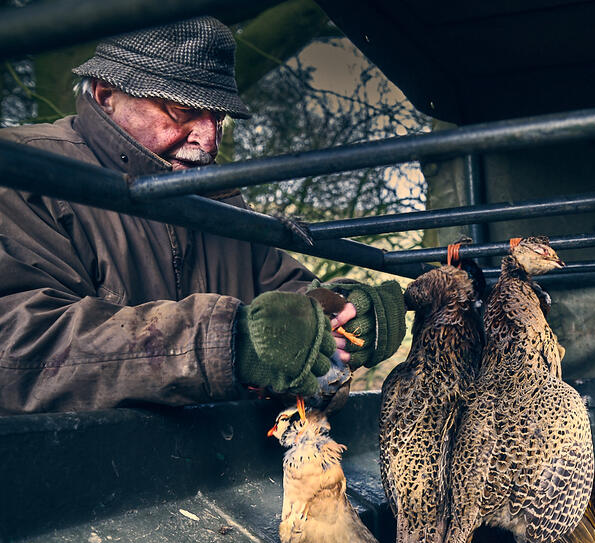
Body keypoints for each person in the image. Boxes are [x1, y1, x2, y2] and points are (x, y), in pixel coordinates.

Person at [0, 16, 406, 414]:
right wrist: (227, 344)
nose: (209, 141)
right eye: (182, 110)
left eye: (218, 117)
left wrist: (339, 315)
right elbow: (18, 346)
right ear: (107, 96)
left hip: (222, 459)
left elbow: (283, 303)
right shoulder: (20, 171)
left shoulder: (219, 201)